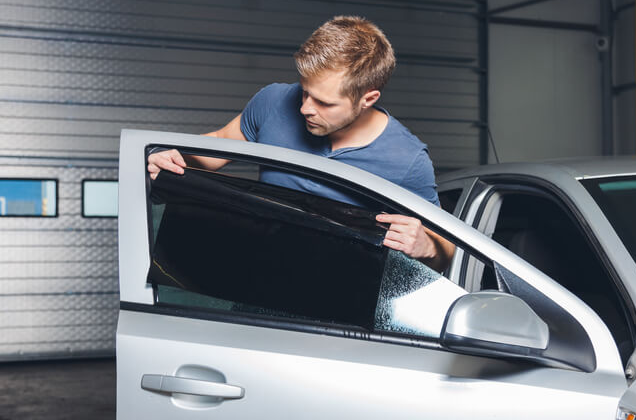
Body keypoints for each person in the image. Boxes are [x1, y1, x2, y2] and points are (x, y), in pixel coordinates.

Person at [148, 15, 454, 271]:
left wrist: (427, 246)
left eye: (323, 102)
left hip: (338, 302)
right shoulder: (272, 102)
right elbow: (217, 145)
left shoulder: (407, 159)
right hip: (255, 277)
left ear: (368, 98)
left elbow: (446, 248)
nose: (305, 107)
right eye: (304, 90)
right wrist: (176, 157)